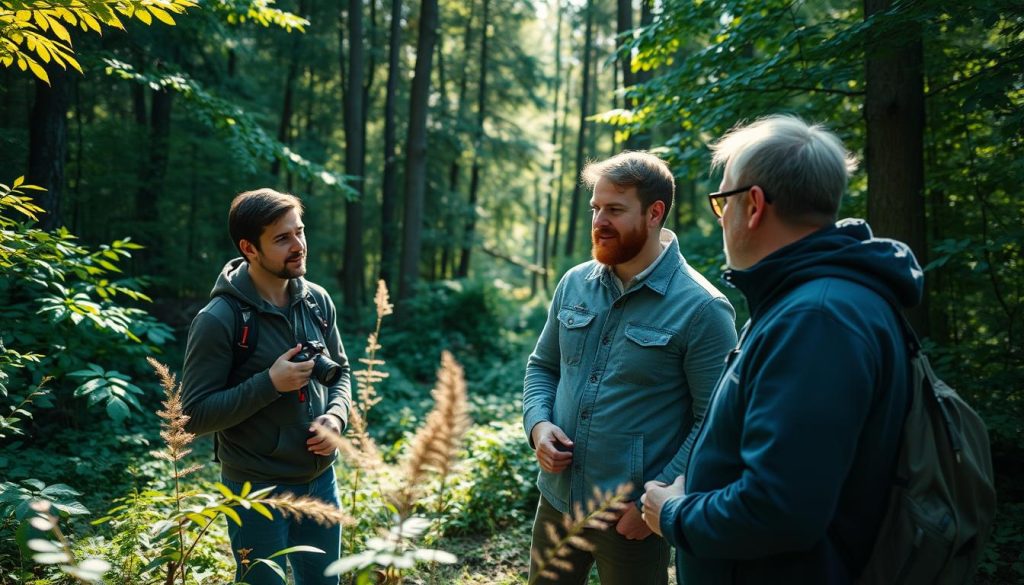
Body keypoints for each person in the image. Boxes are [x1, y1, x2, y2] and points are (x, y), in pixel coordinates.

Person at [641, 115, 922, 584]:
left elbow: (780, 509)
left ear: (752, 205)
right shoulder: (803, 302)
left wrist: (675, 513)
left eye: (721, 202)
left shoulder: (816, 320)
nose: (720, 220)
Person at [523, 151, 738, 584]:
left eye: (615, 210)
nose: (599, 220)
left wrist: (658, 498)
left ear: (654, 212)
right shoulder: (574, 283)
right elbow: (542, 367)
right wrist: (538, 426)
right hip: (557, 503)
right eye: (595, 208)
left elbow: (715, 423)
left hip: (632, 523)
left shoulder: (703, 309)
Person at [181, 188, 351, 585]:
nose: (299, 246)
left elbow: (341, 370)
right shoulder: (219, 319)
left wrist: (337, 417)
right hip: (254, 488)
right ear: (249, 248)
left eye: (300, 232)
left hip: (320, 479)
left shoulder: (317, 300)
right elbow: (192, 417)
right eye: (282, 238)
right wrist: (269, 383)